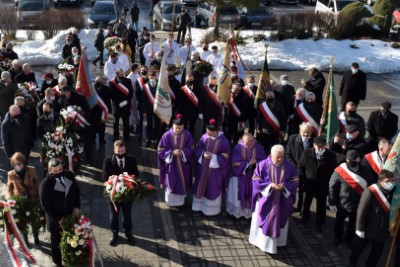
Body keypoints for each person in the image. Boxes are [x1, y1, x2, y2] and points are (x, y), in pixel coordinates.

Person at [249, 144, 299, 254]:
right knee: (265, 220)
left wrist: (284, 186)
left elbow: (295, 181)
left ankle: (279, 243)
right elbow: (255, 180)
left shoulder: (290, 166)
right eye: (277, 157)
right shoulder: (262, 165)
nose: (280, 159)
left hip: (282, 200)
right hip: (265, 199)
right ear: (271, 155)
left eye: (282, 156)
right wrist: (269, 185)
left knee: (279, 218)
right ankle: (261, 243)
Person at [348, 170, 395, 267]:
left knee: (376, 255)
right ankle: (352, 262)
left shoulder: (394, 193)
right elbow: (362, 210)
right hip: (367, 229)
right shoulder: (370, 191)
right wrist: (359, 228)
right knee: (358, 249)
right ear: (380, 181)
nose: (390, 183)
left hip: (382, 231)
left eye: (392, 181)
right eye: (387, 181)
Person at [40, 158, 81, 267]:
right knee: (56, 243)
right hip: (55, 220)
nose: (58, 173)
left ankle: (71, 258)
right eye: (55, 171)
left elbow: (76, 191)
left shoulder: (69, 175)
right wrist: (59, 218)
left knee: (73, 238)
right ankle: (58, 262)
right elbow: (45, 205)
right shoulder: (45, 185)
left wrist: (76, 206)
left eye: (60, 170)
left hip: (70, 215)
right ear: (49, 170)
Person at [328, 150, 373, 248]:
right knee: (339, 222)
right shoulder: (340, 170)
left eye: (353, 160)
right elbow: (332, 186)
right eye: (349, 160)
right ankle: (338, 238)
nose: (350, 161)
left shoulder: (365, 170)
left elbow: (370, 186)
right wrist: (332, 202)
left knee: (353, 224)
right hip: (343, 204)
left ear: (358, 159)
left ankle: (349, 238)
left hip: (358, 204)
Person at [102, 140, 139, 246]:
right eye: (118, 151)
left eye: (122, 151)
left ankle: (128, 234)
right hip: (114, 194)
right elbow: (104, 178)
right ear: (114, 150)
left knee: (127, 215)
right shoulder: (107, 161)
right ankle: (114, 234)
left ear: (125, 149)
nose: (121, 154)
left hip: (127, 194)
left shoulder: (132, 160)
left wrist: (128, 179)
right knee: (113, 216)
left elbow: (136, 174)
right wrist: (112, 179)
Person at [298, 136, 337, 230]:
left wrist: (329, 184)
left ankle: (320, 222)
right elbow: (300, 167)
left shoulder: (331, 155)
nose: (320, 148)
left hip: (322, 185)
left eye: (322, 147)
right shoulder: (307, 153)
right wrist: (303, 180)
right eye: (318, 146)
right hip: (309, 183)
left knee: (321, 205)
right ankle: (305, 217)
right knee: (307, 202)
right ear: (314, 145)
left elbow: (334, 171)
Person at [192, 119, 231, 216]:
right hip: (203, 169)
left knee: (212, 187)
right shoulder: (204, 137)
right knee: (200, 187)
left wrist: (213, 156)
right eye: (207, 132)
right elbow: (198, 147)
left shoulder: (224, 141)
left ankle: (211, 211)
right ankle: (198, 207)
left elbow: (226, 156)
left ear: (215, 131)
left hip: (215, 172)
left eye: (210, 133)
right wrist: (203, 154)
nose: (208, 134)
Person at [226, 133, 266, 219]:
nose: (251, 143)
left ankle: (249, 214)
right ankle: (236, 213)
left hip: (253, 176)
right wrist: (247, 164)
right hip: (239, 176)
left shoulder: (259, 148)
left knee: (252, 194)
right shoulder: (237, 148)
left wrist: (255, 162)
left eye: (253, 141)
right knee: (236, 194)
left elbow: (264, 163)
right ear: (243, 141)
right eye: (249, 141)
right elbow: (234, 163)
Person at [157, 114, 194, 207]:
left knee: (182, 182)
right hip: (171, 166)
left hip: (183, 165)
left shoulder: (187, 135)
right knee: (171, 181)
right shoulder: (167, 135)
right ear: (172, 126)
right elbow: (160, 149)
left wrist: (183, 152)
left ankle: (181, 202)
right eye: (176, 128)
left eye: (180, 128)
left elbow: (191, 148)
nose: (177, 130)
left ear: (183, 127)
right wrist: (172, 152)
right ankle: (170, 202)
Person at [7, 152, 40, 246]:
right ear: (13, 164)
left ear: (24, 163)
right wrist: (10, 199)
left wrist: (38, 195)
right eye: (16, 164)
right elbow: (9, 188)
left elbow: (36, 183)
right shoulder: (11, 174)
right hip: (19, 201)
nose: (19, 166)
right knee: (23, 222)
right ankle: (25, 240)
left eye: (20, 163)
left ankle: (36, 237)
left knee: (34, 220)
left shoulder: (31, 170)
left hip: (32, 198)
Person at [285, 122, 314, 213]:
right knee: (293, 189)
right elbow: (288, 154)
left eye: (308, 132)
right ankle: (290, 207)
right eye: (304, 132)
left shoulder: (314, 141)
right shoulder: (292, 139)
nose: (306, 134)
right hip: (294, 169)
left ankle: (301, 208)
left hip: (307, 171)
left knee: (304, 191)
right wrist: (296, 168)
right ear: (300, 131)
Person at [109, 68, 134, 141]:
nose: (123, 74)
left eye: (122, 72)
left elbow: (131, 92)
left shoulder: (128, 81)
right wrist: (119, 103)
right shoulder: (112, 83)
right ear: (117, 74)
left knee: (126, 121)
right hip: (116, 106)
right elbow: (112, 95)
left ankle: (126, 136)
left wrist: (126, 101)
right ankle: (116, 136)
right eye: (121, 73)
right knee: (115, 122)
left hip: (126, 104)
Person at [142, 71, 161, 146]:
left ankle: (157, 139)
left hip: (158, 109)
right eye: (150, 77)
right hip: (148, 108)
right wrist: (144, 110)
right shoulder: (146, 86)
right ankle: (148, 139)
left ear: (156, 77)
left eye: (153, 77)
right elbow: (143, 99)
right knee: (148, 124)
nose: (151, 79)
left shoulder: (160, 86)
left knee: (157, 125)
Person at [91, 76, 111, 144]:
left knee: (102, 126)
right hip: (93, 110)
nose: (98, 83)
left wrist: (108, 110)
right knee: (93, 126)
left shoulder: (106, 88)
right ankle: (93, 139)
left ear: (102, 81)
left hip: (102, 110)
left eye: (99, 81)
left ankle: (101, 139)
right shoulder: (91, 88)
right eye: (97, 81)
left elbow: (108, 100)